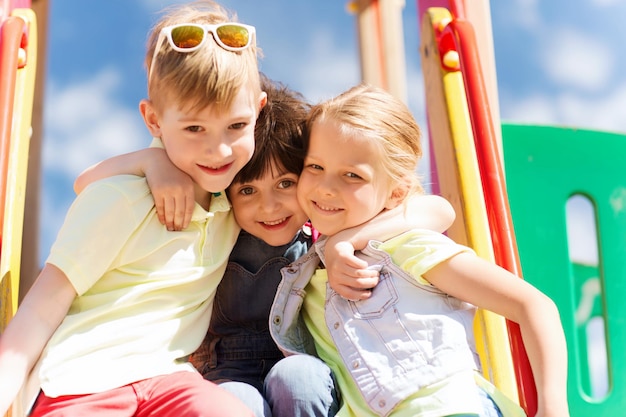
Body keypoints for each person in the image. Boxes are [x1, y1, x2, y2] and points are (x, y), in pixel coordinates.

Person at [73, 75, 457, 417]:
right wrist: (151, 160)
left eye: (286, 184)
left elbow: (438, 210)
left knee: (297, 377)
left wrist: (344, 242)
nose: (269, 206)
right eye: (248, 190)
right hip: (227, 373)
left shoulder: (322, 231)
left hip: (304, 363)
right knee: (239, 401)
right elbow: (86, 183)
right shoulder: (216, 226)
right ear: (227, 191)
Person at [0, 2, 266, 416]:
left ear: (258, 113)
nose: (219, 149)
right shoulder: (121, 199)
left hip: (168, 380)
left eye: (236, 126)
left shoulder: (240, 204)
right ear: (154, 121)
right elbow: (37, 314)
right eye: (194, 128)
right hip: (82, 382)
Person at [269, 84, 571, 417]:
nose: (326, 187)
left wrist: (552, 405)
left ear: (395, 194)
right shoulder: (303, 274)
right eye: (315, 167)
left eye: (352, 175)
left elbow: (533, 305)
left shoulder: (407, 248)